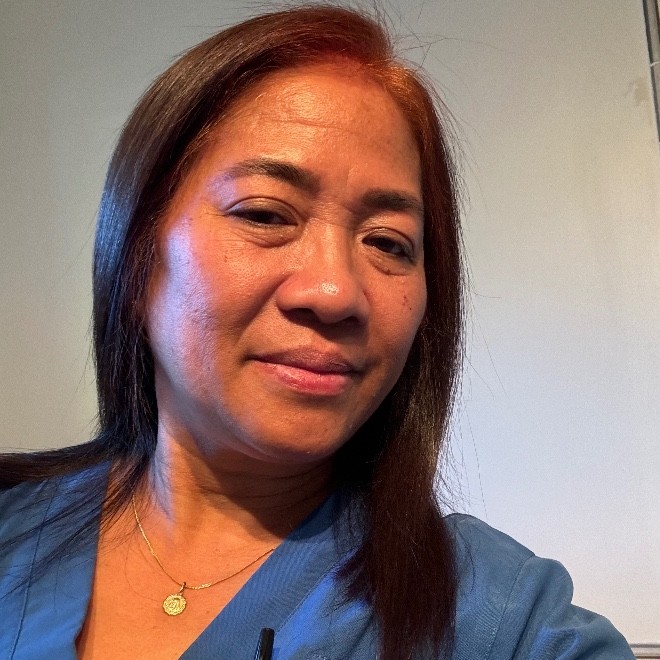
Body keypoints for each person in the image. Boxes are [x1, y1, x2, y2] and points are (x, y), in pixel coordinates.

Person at [0, 5, 634, 659]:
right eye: (265, 214)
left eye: (387, 242)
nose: (335, 292)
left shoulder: (506, 623)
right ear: (137, 259)